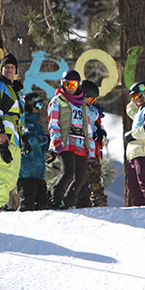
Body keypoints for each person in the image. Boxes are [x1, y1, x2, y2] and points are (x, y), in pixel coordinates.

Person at [0, 53, 29, 214]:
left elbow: (18, 116)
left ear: (16, 70)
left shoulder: (14, 89)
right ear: (2, 69)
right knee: (4, 174)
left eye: (12, 67)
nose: (9, 70)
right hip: (2, 138)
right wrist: (1, 134)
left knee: (11, 178)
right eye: (6, 67)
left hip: (14, 138)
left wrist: (25, 135)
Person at [48, 69, 92, 210]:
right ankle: (55, 199)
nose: (70, 88)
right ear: (62, 85)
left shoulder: (83, 104)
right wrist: (56, 140)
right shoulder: (57, 101)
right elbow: (53, 122)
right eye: (67, 85)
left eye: (73, 85)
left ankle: (68, 202)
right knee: (68, 172)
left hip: (79, 141)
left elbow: (87, 126)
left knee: (81, 177)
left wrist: (89, 146)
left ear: (78, 85)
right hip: (65, 141)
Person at [76, 80, 108, 208]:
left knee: (95, 181)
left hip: (93, 152)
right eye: (90, 99)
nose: (91, 103)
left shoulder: (93, 111)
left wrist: (101, 133)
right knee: (80, 182)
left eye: (93, 100)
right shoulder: (75, 108)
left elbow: (100, 127)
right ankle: (79, 205)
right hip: (79, 151)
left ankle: (99, 205)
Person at [17, 93, 50, 211]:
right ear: (29, 106)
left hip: (39, 175)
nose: (40, 109)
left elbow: (43, 148)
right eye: (38, 105)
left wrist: (48, 144)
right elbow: (25, 142)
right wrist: (41, 140)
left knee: (43, 207)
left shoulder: (38, 126)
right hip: (26, 174)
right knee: (27, 206)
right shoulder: (21, 124)